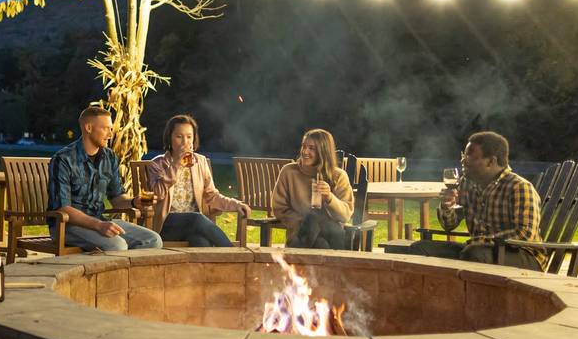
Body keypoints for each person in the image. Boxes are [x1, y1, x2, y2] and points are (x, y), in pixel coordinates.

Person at [407, 131, 544, 270]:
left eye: (470, 155)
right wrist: (447, 205)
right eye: (463, 155)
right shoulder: (467, 184)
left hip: (523, 256)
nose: (463, 160)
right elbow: (449, 225)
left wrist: (480, 241)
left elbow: (525, 234)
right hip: (476, 250)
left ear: (491, 161)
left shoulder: (519, 187)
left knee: (473, 253)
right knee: (420, 249)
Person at [47, 105, 162, 252]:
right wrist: (98, 225)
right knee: (117, 245)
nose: (111, 134)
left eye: (111, 129)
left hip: (100, 220)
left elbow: (116, 198)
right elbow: (63, 208)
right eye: (106, 128)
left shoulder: (110, 157)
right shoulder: (63, 159)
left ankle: (127, 275)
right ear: (88, 128)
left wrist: (134, 201)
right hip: (67, 226)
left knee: (152, 240)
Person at [147, 115, 251, 246]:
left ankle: (224, 264)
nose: (185, 142)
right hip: (166, 225)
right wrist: (176, 164)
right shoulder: (157, 164)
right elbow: (158, 194)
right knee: (196, 218)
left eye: (189, 137)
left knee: (202, 242)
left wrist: (236, 205)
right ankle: (234, 254)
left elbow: (212, 196)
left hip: (193, 226)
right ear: (170, 138)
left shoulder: (200, 162)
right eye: (179, 137)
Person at [271, 129, 354, 249]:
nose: (305, 151)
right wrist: (303, 222)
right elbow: (279, 208)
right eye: (303, 146)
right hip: (302, 234)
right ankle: (341, 264)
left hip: (330, 235)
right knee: (313, 221)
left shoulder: (338, 176)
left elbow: (345, 215)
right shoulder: (289, 172)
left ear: (323, 151)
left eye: (311, 148)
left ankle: (295, 259)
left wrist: (329, 198)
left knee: (323, 237)